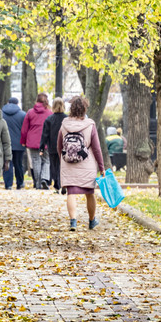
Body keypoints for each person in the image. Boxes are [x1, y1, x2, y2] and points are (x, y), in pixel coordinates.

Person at [57, 96, 105, 231]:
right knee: (89, 193)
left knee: (71, 193)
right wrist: (101, 167)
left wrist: (62, 159)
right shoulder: (90, 124)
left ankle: (73, 221)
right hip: (86, 163)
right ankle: (91, 221)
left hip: (68, 163)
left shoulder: (64, 124)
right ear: (84, 109)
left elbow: (59, 144)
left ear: (71, 109)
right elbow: (96, 148)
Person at [20, 93, 53, 189]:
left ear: (36, 101)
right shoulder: (49, 113)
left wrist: (23, 141)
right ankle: (44, 179)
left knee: (36, 162)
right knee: (46, 160)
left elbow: (24, 129)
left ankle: (38, 184)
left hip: (32, 142)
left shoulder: (30, 112)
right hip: (46, 142)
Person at [40, 97, 68, 194]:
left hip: (52, 146)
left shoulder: (49, 119)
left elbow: (45, 135)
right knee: (63, 166)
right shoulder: (66, 118)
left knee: (54, 166)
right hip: (65, 146)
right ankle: (64, 184)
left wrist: (42, 148)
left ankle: (56, 185)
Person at [2, 97, 26, 190]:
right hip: (19, 144)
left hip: (5, 143)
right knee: (18, 163)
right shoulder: (23, 114)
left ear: (8, 102)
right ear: (17, 103)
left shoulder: (1, 114)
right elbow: (24, 130)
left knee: (7, 163)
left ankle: (8, 184)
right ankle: (20, 183)